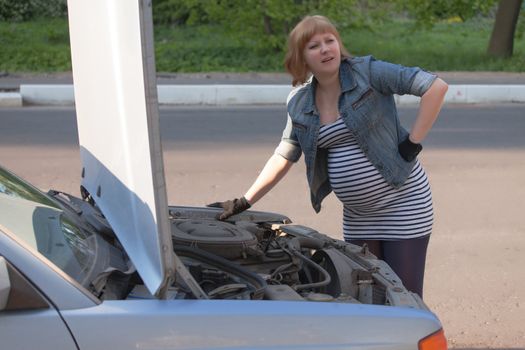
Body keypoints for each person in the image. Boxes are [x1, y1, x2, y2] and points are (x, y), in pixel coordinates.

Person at [209, 15, 448, 298]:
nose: (325, 49)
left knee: (405, 297)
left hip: (403, 204)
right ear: (301, 58)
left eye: (329, 41)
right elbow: (285, 154)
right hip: (359, 217)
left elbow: (435, 87)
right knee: (368, 296)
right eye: (314, 45)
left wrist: (412, 143)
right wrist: (244, 201)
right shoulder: (300, 102)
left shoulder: (367, 72)